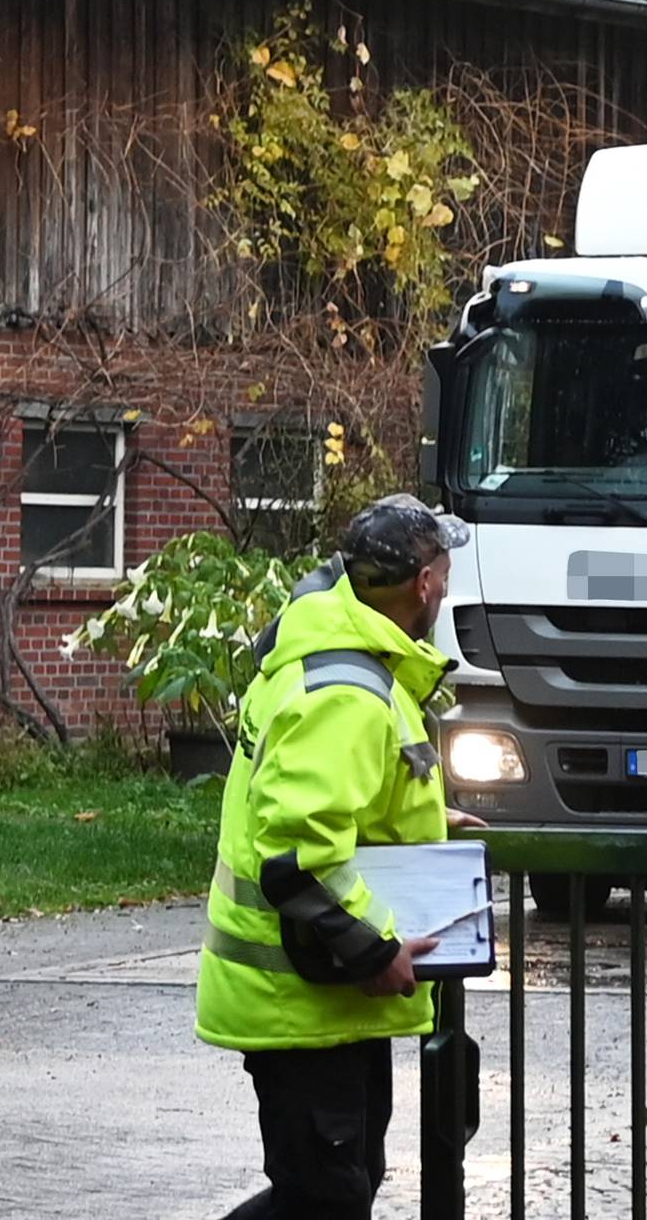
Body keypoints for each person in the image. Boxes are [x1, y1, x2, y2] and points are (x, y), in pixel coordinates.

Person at [197, 494, 483, 1219]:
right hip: (301, 994)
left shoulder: (340, 655)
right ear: (425, 582)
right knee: (326, 1199)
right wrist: (372, 947)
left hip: (316, 999)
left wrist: (418, 810)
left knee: (341, 1185)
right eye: (444, 573)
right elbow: (297, 852)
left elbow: (329, 799)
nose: (446, 587)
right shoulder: (347, 691)